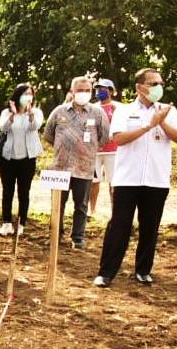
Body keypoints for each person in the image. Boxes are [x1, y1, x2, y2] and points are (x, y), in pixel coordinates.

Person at [93, 68, 177, 288]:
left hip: (156, 178)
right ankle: (106, 272)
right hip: (127, 178)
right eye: (153, 83)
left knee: (150, 226)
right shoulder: (124, 111)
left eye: (160, 83)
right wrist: (149, 125)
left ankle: (143, 270)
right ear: (139, 87)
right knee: (119, 224)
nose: (158, 87)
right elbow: (119, 139)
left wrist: (161, 122)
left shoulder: (168, 110)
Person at [44, 76, 110, 249]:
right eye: (80, 90)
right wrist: (63, 147)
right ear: (72, 92)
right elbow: (48, 134)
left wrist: (86, 149)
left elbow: (103, 137)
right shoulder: (59, 111)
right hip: (60, 167)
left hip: (85, 166)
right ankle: (55, 235)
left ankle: (78, 237)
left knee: (81, 205)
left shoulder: (98, 113)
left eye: (87, 90)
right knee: (57, 203)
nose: (84, 93)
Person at [0, 83, 44, 237]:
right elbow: (3, 128)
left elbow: (35, 127)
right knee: (7, 191)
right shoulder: (6, 112)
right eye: (25, 93)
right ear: (17, 95)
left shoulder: (36, 112)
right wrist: (13, 115)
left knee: (24, 192)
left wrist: (29, 115)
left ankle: (21, 223)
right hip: (8, 158)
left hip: (27, 159)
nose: (27, 97)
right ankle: (7, 223)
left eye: (30, 94)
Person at [89, 78, 120, 217]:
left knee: (114, 183)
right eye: (98, 88)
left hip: (113, 151)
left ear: (111, 91)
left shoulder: (118, 108)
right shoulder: (91, 108)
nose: (100, 91)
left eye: (104, 88)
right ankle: (92, 210)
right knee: (93, 182)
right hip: (94, 152)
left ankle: (115, 212)